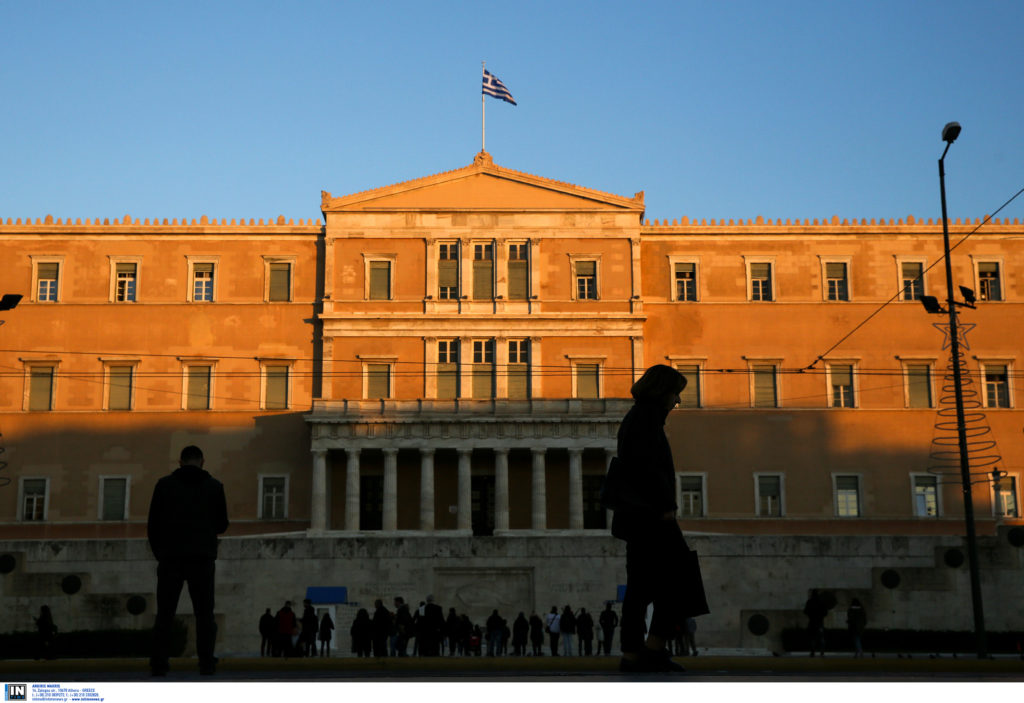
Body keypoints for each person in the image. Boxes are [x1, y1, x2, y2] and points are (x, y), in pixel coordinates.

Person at [607, 365, 690, 673]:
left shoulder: (641, 417)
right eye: (675, 393)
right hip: (652, 517)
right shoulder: (645, 420)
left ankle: (634, 653)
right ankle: (651, 648)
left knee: (641, 587)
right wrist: (666, 507)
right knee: (676, 580)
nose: (677, 401)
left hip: (640, 516)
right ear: (662, 392)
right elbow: (648, 471)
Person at [147, 445, 229, 676]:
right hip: (202, 558)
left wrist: (160, 553)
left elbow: (153, 524)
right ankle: (206, 663)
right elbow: (222, 525)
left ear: (180, 462)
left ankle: (159, 663)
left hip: (170, 558)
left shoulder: (164, 485)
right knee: (204, 614)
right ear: (202, 461)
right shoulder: (214, 487)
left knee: (165, 614)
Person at [804, 590, 828, 657]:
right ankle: (822, 651)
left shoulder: (810, 602)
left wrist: (811, 615)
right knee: (821, 637)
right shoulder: (821, 602)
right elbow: (825, 612)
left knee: (812, 638)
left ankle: (812, 651)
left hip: (812, 622)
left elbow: (805, 611)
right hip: (820, 622)